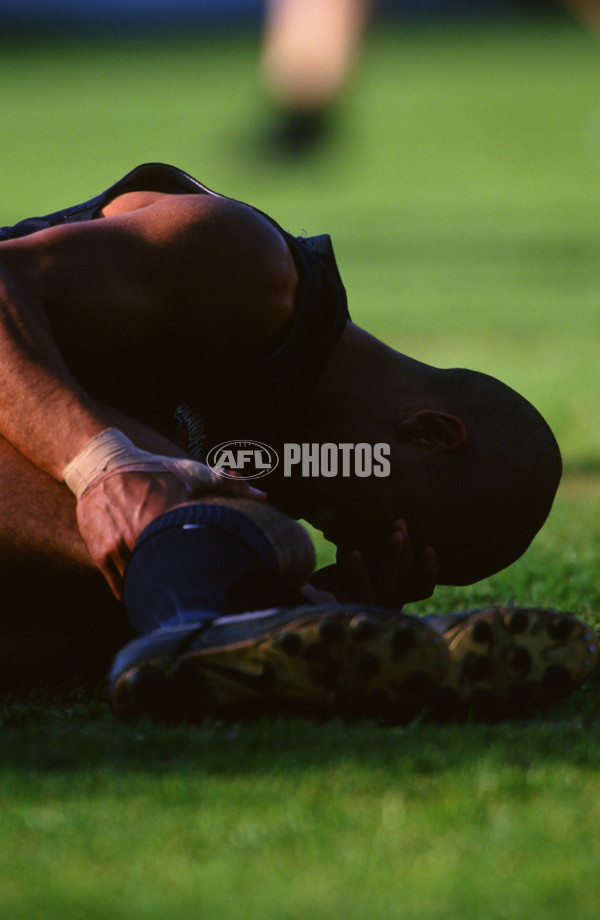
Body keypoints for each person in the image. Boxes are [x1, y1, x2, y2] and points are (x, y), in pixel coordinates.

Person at [0, 162, 595, 721]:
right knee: (225, 524)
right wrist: (102, 464)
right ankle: (235, 626)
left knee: (161, 566)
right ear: (429, 433)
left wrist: (305, 597)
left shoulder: (275, 452)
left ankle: (238, 626)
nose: (345, 538)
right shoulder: (248, 267)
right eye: (379, 525)